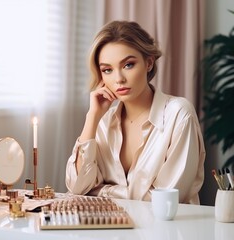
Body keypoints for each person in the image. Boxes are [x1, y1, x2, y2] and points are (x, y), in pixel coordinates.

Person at [65, 20, 205, 204]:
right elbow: (76, 188)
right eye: (107, 70)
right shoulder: (103, 121)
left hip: (166, 230)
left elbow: (167, 198)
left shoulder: (179, 114)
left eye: (128, 65)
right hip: (112, 231)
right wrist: (92, 118)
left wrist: (102, 191)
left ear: (148, 63)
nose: (119, 79)